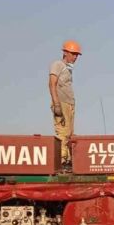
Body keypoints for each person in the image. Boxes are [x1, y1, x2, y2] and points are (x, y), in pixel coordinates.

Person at [49, 40, 81, 168]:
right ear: (65, 53)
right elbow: (52, 84)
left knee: (70, 134)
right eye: (73, 54)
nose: (75, 57)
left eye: (77, 55)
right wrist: (56, 104)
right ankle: (62, 161)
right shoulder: (58, 65)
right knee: (63, 132)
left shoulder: (68, 69)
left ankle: (67, 159)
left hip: (69, 104)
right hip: (61, 103)